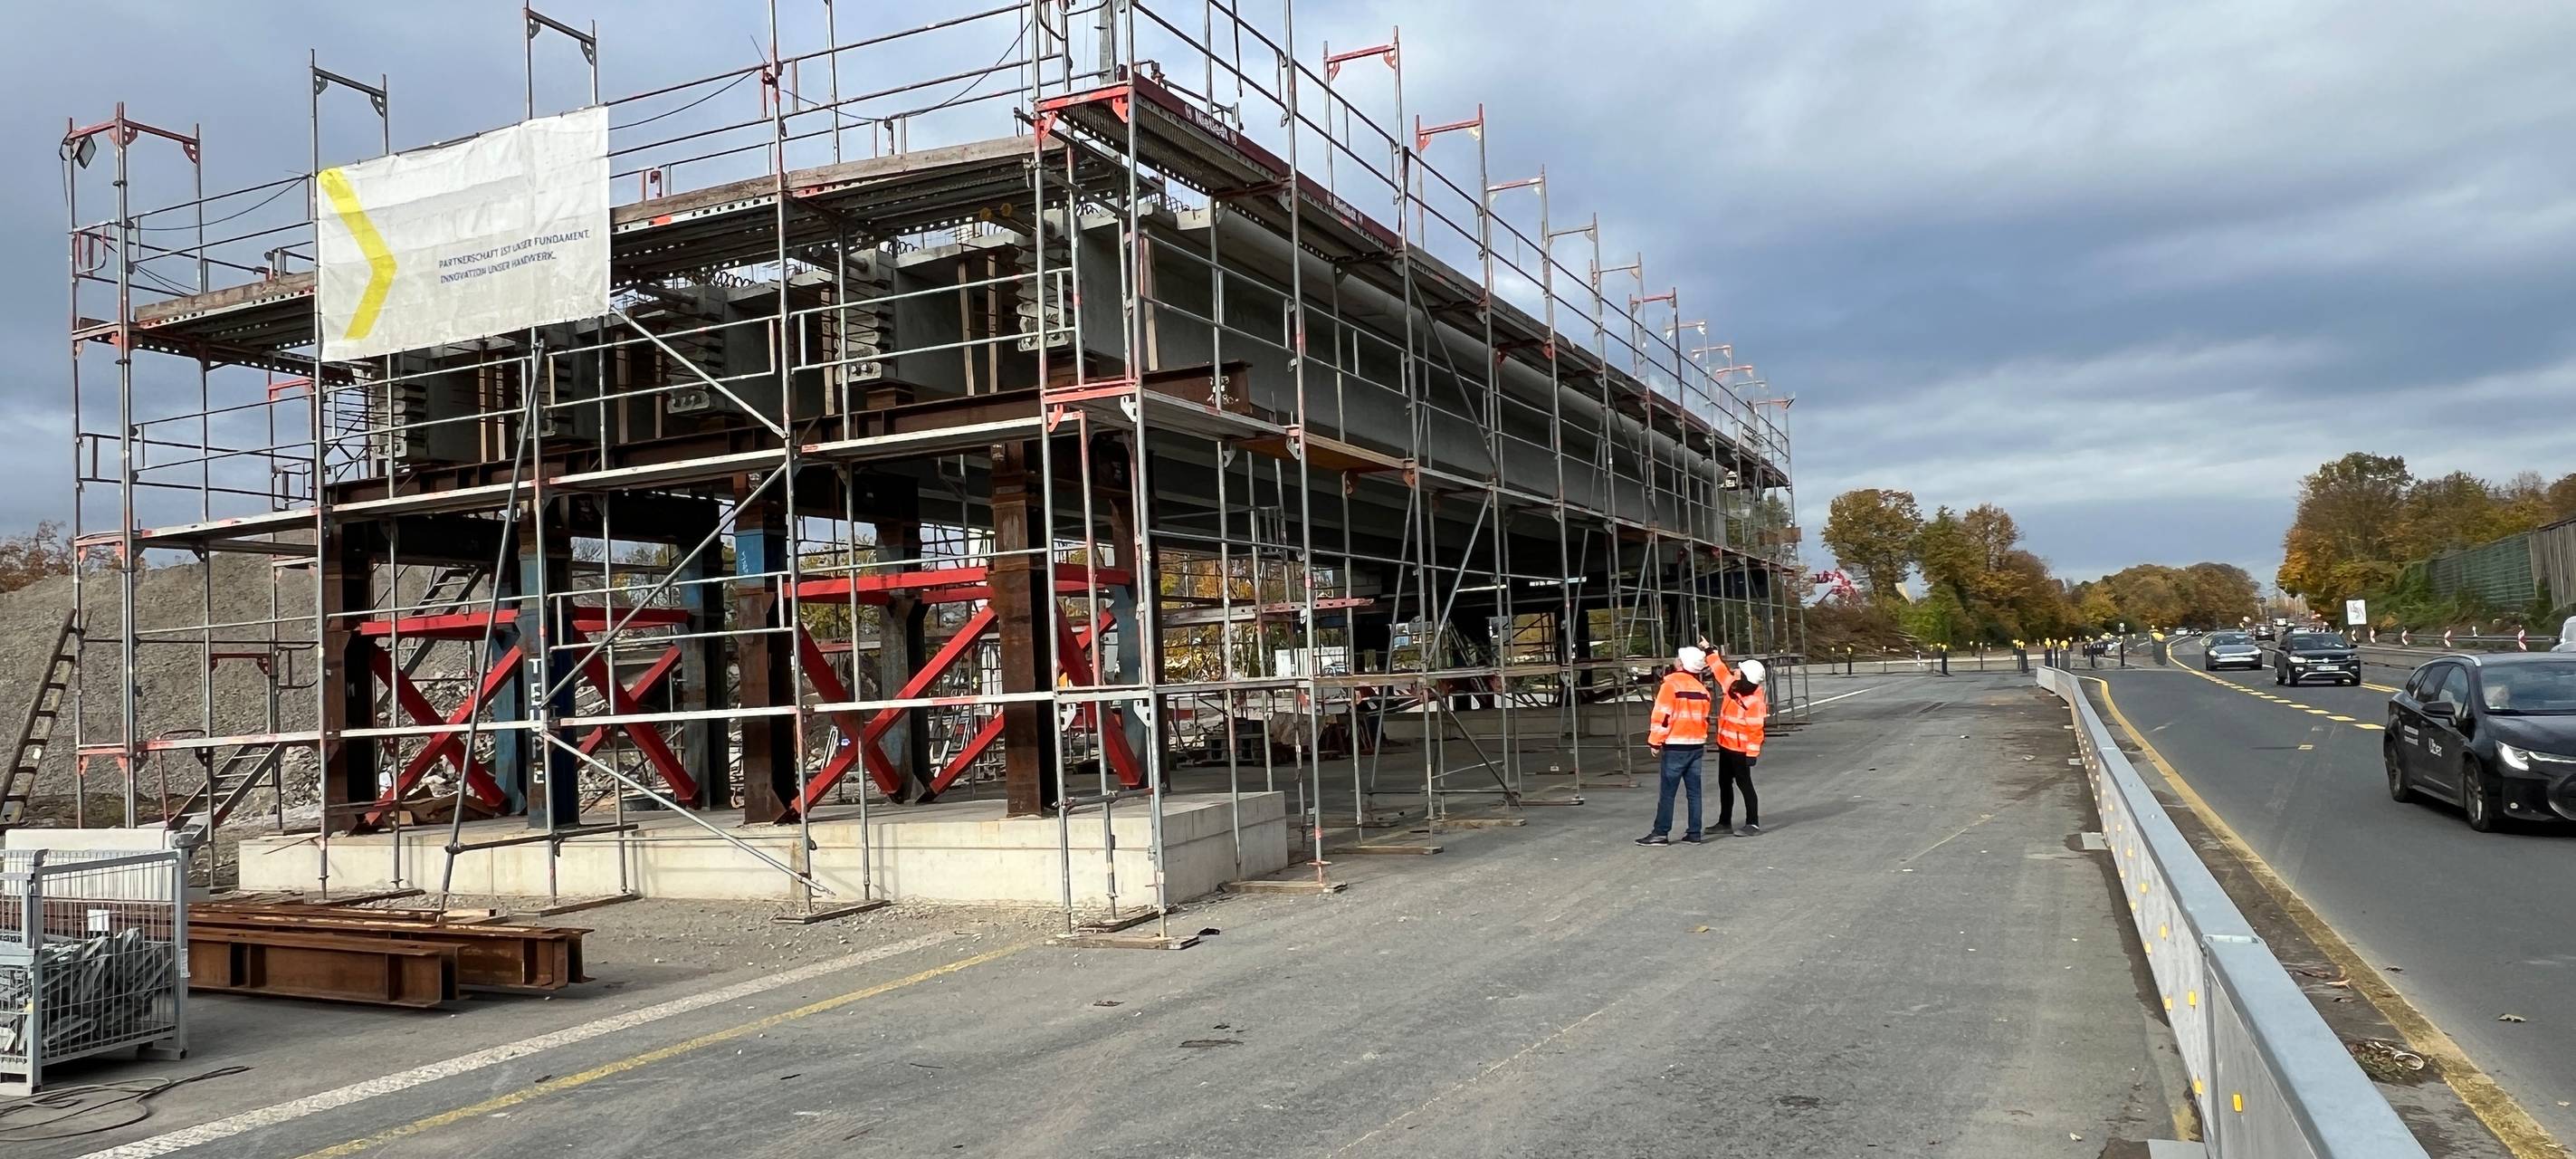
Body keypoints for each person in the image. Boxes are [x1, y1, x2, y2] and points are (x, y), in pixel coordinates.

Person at [1636, 646, 1722, 846]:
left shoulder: (1671, 685)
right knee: (1694, 792)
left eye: (1677, 658)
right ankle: (1694, 833)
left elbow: (1662, 715)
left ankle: (1660, 833)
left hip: (1676, 745)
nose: (1674, 660)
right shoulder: (1702, 690)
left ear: (1682, 664)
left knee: (1668, 792)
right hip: (1696, 744)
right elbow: (1704, 719)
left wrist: (1655, 741)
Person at [1714, 658, 1769, 836]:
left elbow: (1755, 729)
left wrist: (1752, 753)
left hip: (1740, 750)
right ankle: (1724, 822)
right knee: (1724, 783)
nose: (1736, 672)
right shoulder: (1734, 687)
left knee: (1744, 784)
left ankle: (1752, 823)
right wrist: (1709, 652)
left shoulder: (1754, 701)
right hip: (1726, 745)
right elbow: (1720, 671)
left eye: (1740, 671)